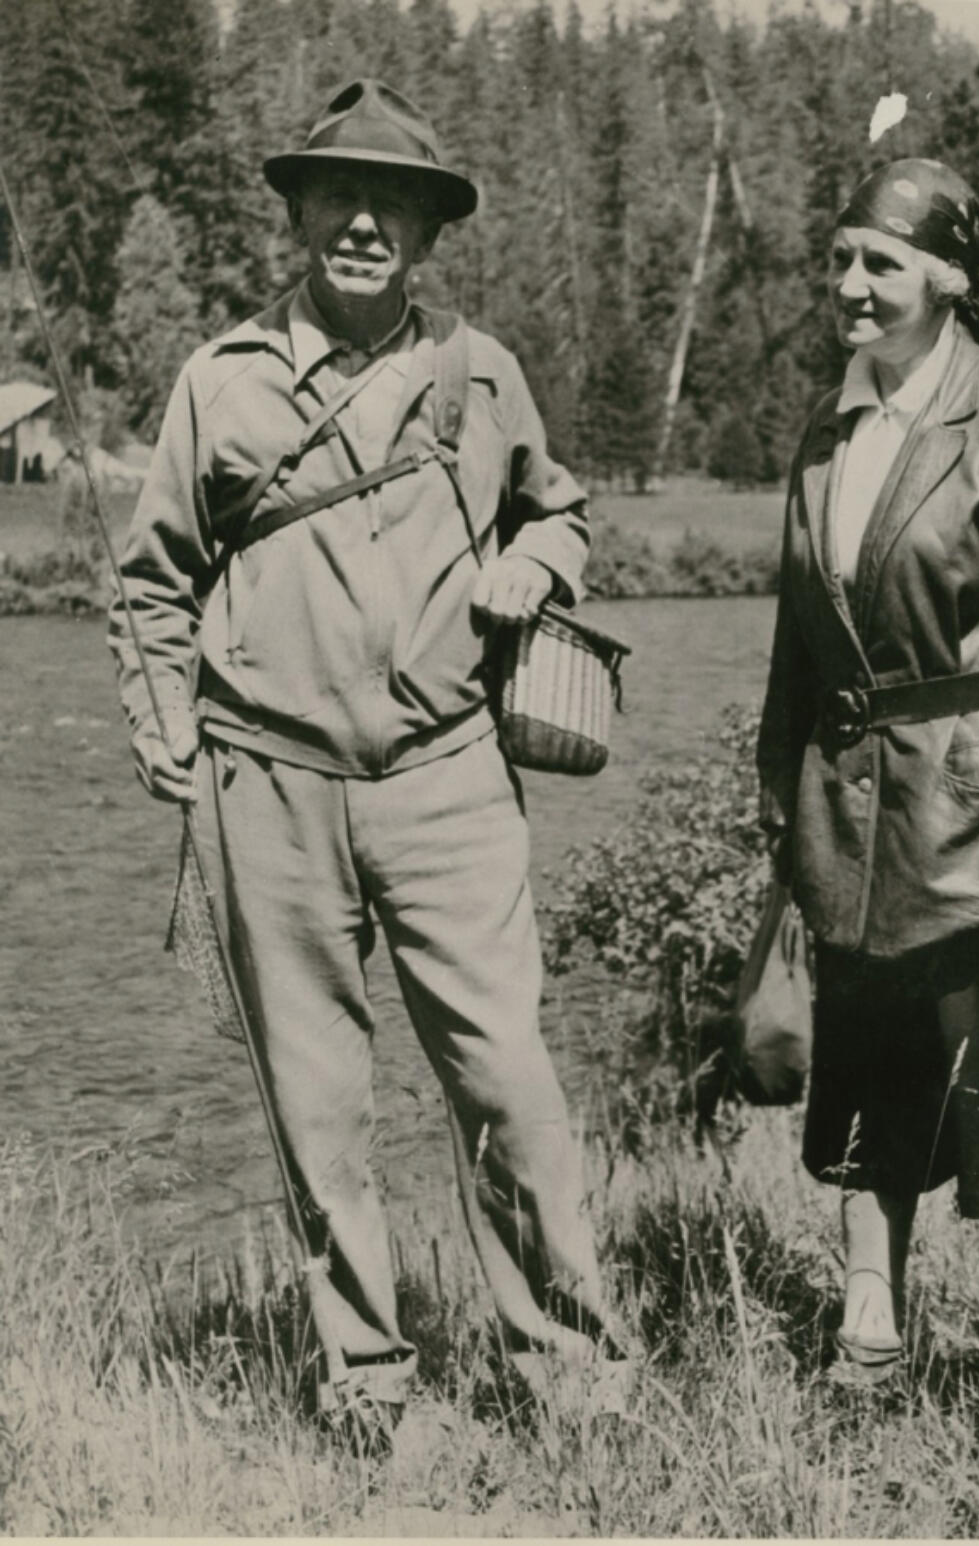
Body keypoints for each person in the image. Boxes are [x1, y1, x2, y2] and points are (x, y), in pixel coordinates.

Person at [108, 79, 625, 1442]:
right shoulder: (219, 380)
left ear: (423, 229)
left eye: (386, 202)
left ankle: (569, 1367)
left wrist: (529, 556)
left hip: (449, 776)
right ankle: (365, 1384)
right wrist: (165, 719)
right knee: (318, 1103)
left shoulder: (481, 370)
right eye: (333, 196)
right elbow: (152, 580)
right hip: (265, 783)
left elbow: (565, 513)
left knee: (508, 1073)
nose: (357, 223)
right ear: (295, 214)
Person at [756, 159, 979, 1457]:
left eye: (881, 264)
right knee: (866, 1091)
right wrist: (780, 815)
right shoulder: (822, 430)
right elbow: (796, 652)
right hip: (849, 828)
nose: (849, 285)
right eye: (840, 258)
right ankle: (868, 1338)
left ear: (951, 281)